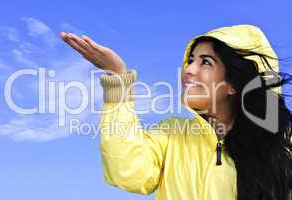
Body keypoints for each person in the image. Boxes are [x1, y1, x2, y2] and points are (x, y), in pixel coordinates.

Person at [60, 24, 292, 200]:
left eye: (206, 62)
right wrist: (118, 78)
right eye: (190, 60)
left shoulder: (282, 145)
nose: (188, 70)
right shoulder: (172, 133)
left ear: (234, 84)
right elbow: (127, 172)